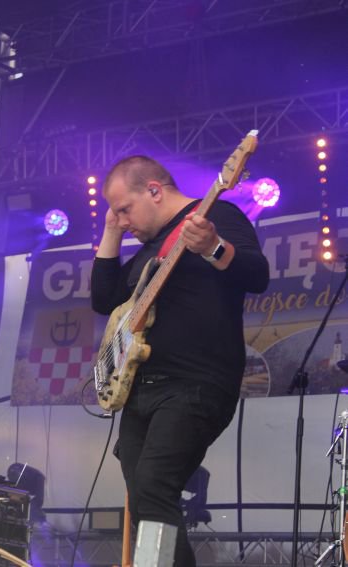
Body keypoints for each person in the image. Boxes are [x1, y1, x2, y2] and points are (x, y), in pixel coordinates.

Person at [90, 156, 269, 565]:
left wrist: (212, 247)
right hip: (141, 390)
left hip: (195, 384)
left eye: (124, 209)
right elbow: (104, 299)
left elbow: (258, 275)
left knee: (154, 485)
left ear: (154, 191)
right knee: (145, 498)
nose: (123, 220)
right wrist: (111, 231)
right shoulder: (148, 252)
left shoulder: (217, 215)